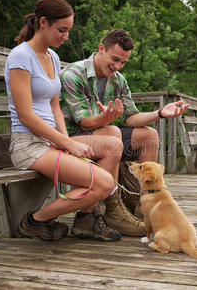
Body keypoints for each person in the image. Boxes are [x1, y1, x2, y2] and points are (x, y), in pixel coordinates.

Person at [5, 0, 124, 242]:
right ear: (44, 23)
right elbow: (26, 115)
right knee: (103, 183)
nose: (66, 37)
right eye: (62, 30)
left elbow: (54, 105)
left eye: (68, 31)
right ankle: (35, 221)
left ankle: (86, 219)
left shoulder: (53, 58)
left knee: (113, 144)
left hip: (51, 141)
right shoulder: (21, 57)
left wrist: (64, 140)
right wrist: (68, 144)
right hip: (28, 145)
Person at [59, 29, 189, 236]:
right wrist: (107, 118)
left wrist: (160, 113)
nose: (118, 66)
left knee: (149, 135)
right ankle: (113, 211)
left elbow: (131, 117)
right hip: (72, 139)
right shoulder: (73, 74)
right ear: (101, 49)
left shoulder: (118, 80)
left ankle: (140, 204)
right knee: (112, 131)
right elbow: (83, 123)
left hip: (104, 134)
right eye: (115, 59)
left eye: (123, 62)